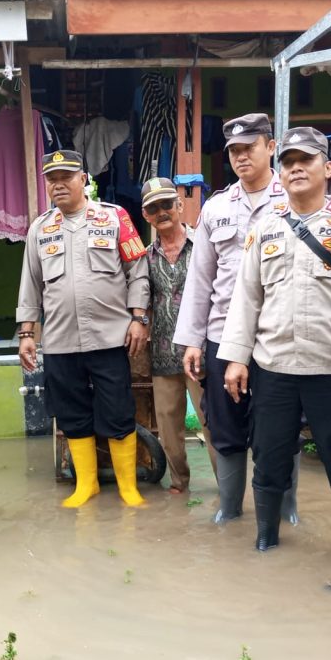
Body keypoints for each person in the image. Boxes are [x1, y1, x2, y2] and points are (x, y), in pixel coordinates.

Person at [220, 127, 331, 553]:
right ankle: (266, 540)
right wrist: (237, 358)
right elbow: (246, 295)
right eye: (289, 162)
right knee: (269, 456)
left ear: (328, 168)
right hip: (274, 367)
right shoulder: (265, 227)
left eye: (307, 160)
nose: (296, 168)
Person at [172, 113, 299, 525]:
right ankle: (229, 507)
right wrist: (192, 340)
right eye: (234, 151)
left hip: (277, 336)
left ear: (271, 147)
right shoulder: (216, 207)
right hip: (222, 336)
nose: (241, 157)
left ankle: (287, 508)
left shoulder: (294, 198)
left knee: (278, 428)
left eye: (249, 148)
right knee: (224, 425)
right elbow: (199, 280)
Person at [17, 149, 150, 507]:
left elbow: (137, 271)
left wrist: (138, 318)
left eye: (66, 177)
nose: (58, 184)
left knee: (119, 411)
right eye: (51, 179)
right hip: (60, 341)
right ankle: (86, 484)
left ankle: (128, 487)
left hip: (109, 337)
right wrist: (27, 334)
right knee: (72, 414)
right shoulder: (40, 229)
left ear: (83, 180)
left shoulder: (115, 217)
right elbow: (30, 284)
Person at [140, 177, 217, 494]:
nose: (162, 212)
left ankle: (227, 486)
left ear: (180, 205)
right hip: (162, 351)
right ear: (146, 216)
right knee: (168, 427)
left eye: (167, 204)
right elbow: (141, 300)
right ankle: (179, 482)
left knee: (212, 422)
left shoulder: (204, 246)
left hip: (200, 351)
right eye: (153, 208)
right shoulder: (145, 257)